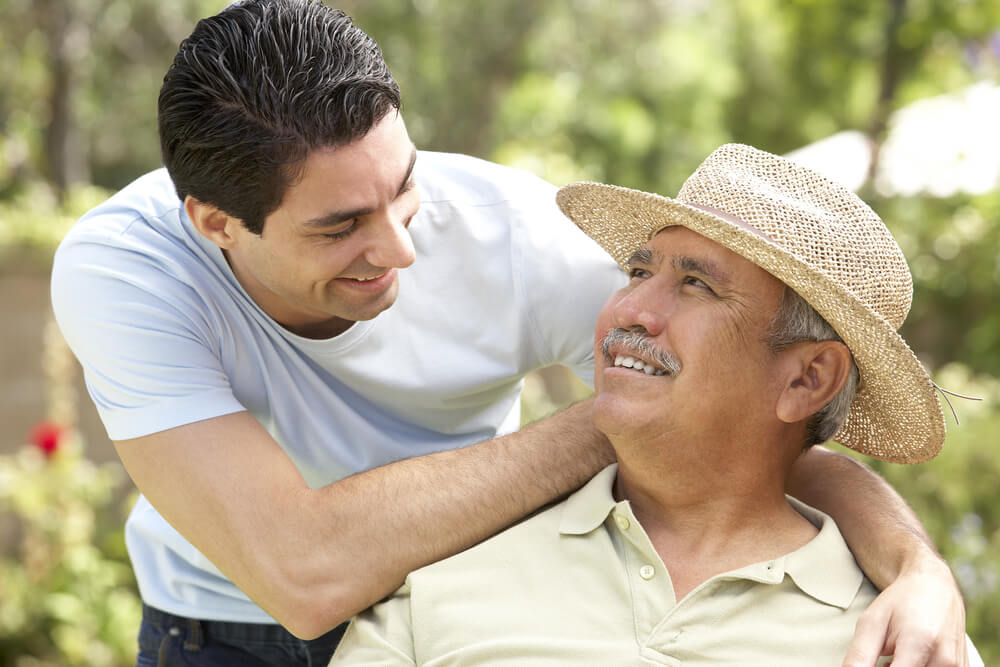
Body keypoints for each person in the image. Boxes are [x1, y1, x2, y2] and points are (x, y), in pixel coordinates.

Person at [49, 1, 967, 665]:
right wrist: (632, 411)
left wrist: (919, 570)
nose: (400, 247)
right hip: (224, 630)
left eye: (404, 184)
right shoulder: (128, 273)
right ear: (214, 222)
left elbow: (757, 423)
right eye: (341, 227)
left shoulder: (517, 238)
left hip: (457, 595)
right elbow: (300, 573)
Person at [331, 143, 983, 666]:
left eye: (696, 285)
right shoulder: (443, 584)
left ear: (807, 379)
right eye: (640, 272)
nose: (628, 310)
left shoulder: (910, 641)